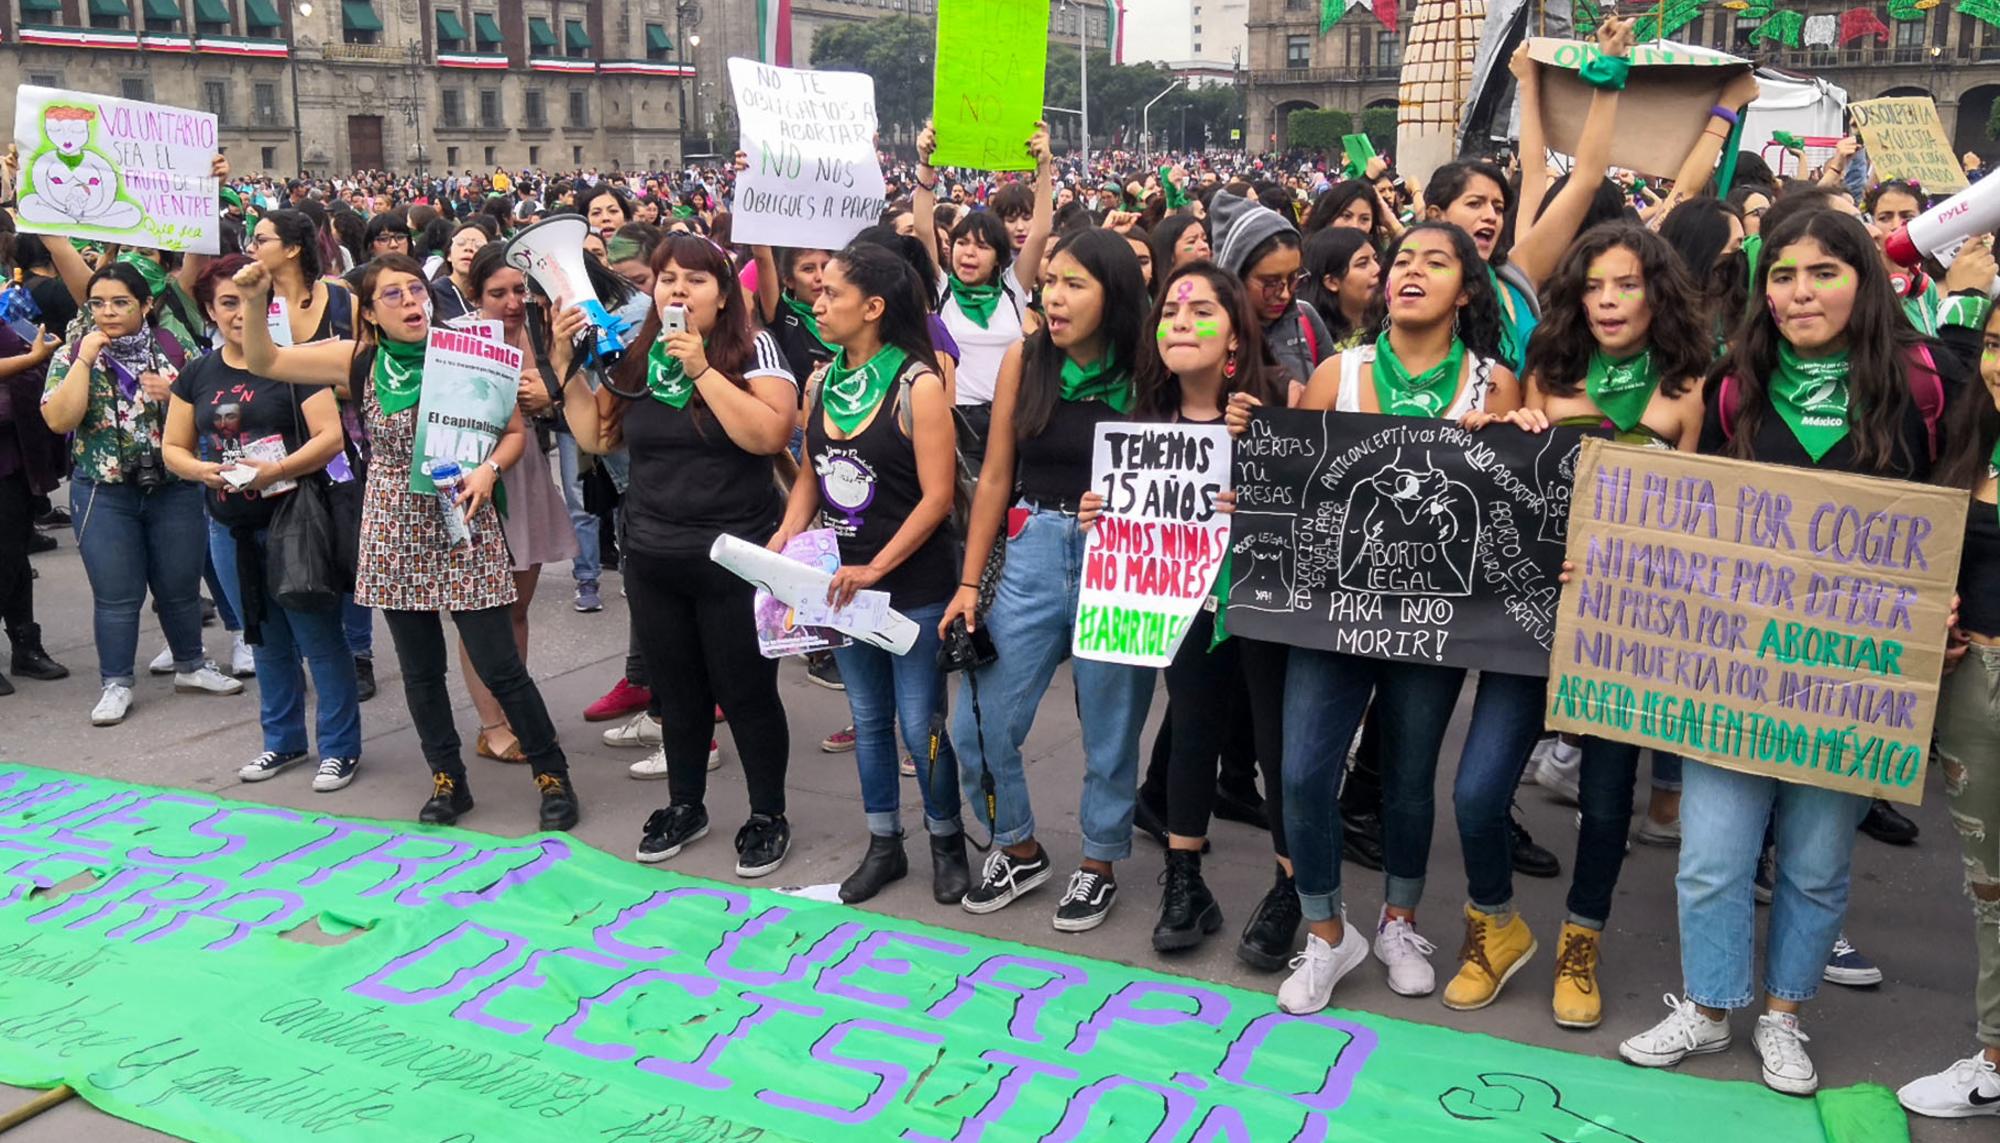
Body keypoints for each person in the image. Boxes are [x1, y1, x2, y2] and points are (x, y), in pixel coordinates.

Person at [1617, 208, 1953, 1095]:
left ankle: (1785, 1014)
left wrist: (1954, 599)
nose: (1799, 292)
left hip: (1848, 678)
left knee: (1813, 862)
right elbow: (1664, 492)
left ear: (1864, 281)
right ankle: (1710, 1004)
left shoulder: (1926, 383)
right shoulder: (1738, 384)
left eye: (1823, 273)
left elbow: (1966, 503)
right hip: (1737, 667)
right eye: (1782, 275)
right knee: (1711, 855)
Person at [1228, 222, 1518, 1014]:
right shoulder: (1337, 372)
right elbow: (1295, 492)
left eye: (1436, 261)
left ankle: (1398, 920)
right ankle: (1327, 933)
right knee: (1300, 772)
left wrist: (1523, 437)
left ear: (1466, 289)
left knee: (1408, 777)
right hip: (1332, 616)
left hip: (1434, 620)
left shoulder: (1496, 385)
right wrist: (1250, 478)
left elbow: (1509, 508)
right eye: (1402, 261)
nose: (1411, 271)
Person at [1450, 221, 1709, 1029]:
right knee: (1477, 790)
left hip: (1625, 628)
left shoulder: (1689, 387)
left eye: (1625, 284)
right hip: (1527, 619)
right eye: (1594, 285)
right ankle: (1494, 926)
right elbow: (1502, 486)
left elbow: (1702, 517)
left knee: (1605, 804)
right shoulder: (1548, 370)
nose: (1607, 300)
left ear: (1657, 291)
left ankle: (1580, 943)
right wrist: (1507, 428)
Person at [235, 254, 580, 832]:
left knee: (501, 667)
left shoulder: (471, 352)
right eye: (391, 295)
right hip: (394, 529)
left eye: (415, 289)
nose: (411, 302)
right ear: (368, 313)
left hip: (464, 521)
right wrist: (251, 300)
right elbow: (265, 358)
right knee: (421, 673)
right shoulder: (359, 360)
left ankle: (552, 777)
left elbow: (516, 433)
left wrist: (491, 469)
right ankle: (448, 780)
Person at [560, 234, 798, 878]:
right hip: (654, 554)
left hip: (733, 556)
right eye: (667, 278)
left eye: (694, 281)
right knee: (678, 692)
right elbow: (599, 433)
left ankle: (767, 813)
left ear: (724, 295)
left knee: (745, 693)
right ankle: (684, 804)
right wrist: (562, 364)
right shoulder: (639, 354)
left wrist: (701, 370)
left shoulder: (753, 348)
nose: (677, 290)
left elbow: (770, 432)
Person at [940, 229, 1157, 932]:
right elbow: (996, 476)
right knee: (978, 722)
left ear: (1115, 294)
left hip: (1122, 558)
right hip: (1032, 546)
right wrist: (970, 584)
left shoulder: (1151, 370)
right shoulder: (1022, 360)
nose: (1054, 298)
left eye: (1075, 285)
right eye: (1050, 282)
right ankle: (1019, 844)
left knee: (1110, 727)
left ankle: (1099, 862)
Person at [1080, 261, 1288, 953]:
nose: (1181, 321)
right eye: (1170, 310)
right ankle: (1184, 880)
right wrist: (1099, 515)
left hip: (1264, 601)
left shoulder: (1277, 401)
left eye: (1201, 310)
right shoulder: (1143, 426)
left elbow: (1314, 503)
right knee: (1193, 725)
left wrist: (1263, 449)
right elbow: (1132, 520)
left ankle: (1294, 888)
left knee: (1274, 737)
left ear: (1236, 337)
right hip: (1186, 604)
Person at [772, 241, 970, 905]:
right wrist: (788, 530)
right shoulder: (823, 380)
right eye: (817, 291)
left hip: (910, 590)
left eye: (831, 293)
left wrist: (876, 566)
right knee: (868, 716)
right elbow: (812, 473)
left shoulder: (920, 384)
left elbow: (938, 497)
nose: (817, 303)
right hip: (841, 587)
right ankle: (884, 842)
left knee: (922, 726)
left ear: (875, 307)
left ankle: (947, 838)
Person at [162, 255, 362, 791]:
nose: (236, 313)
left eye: (246, 301)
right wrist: (204, 470)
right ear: (208, 309)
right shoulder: (198, 374)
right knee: (264, 638)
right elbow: (174, 448)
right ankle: (283, 741)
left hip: (296, 521)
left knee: (318, 637)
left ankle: (340, 749)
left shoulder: (293, 363)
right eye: (225, 302)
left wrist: (276, 469)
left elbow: (330, 437)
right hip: (229, 524)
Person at [41, 261, 244, 725]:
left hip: (174, 486)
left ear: (146, 305)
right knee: (116, 594)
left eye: (120, 303)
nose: (108, 312)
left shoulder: (175, 348)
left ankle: (191, 664)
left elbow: (221, 415)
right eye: (98, 304)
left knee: (179, 585)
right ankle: (116, 682)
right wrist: (85, 359)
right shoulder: (75, 352)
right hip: (103, 490)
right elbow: (58, 420)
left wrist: (174, 395)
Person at [1900, 271, 2000, 1117]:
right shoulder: (1964, 446)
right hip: (1974, 688)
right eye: (1997, 342)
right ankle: (1996, 1056)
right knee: (1991, 879)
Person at [456, 243, 580, 765]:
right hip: (476, 477)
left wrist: (549, 394)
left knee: (518, 607)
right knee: (481, 610)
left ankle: (515, 707)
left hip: (527, 468)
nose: (511, 302)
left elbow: (570, 398)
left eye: (518, 290)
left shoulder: (540, 333)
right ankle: (491, 724)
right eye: (497, 293)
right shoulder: (458, 341)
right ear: (474, 296)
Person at [248, 208, 374, 701]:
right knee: (302, 539)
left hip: (346, 438)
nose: (252, 247)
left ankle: (358, 650)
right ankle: (315, 648)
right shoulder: (255, 302)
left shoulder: (341, 296)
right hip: (279, 436)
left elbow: (367, 360)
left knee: (349, 540)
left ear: (293, 247)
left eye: (261, 239)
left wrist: (339, 384)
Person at [913, 122, 1054, 469]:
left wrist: (1044, 166)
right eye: (961, 243)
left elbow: (1040, 232)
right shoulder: (942, 289)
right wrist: (926, 164)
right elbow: (920, 228)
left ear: (998, 258)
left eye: (981, 246)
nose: (968, 253)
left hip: (1013, 420)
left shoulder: (1012, 290)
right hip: (955, 423)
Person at [1210, 188, 1330, 387]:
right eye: (1270, 283)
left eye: (1293, 278)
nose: (1284, 294)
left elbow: (1335, 394)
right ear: (1236, 275)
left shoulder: (1306, 317)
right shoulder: (1204, 332)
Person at [1297, 227, 1381, 352]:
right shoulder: (1312, 341)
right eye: (1362, 264)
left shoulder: (1391, 327)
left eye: (1375, 259)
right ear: (1332, 282)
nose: (1377, 269)